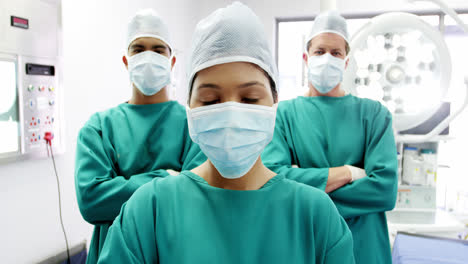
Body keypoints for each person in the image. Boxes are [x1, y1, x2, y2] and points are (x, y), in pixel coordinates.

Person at [97, 3, 355, 263]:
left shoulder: (315, 216)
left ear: (275, 103)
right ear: (189, 108)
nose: (231, 113)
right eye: (210, 100)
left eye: (250, 98)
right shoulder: (149, 210)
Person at [262, 10, 398, 264]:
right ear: (306, 57)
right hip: (307, 245)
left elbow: (385, 190)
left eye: (336, 53)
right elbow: (274, 181)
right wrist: (348, 173)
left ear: (346, 62)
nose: (327, 58)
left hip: (363, 249)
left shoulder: (374, 114)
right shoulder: (284, 115)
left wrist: (303, 185)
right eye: (319, 51)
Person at [74, 9, 205, 264]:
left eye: (158, 50)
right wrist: (166, 177)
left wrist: (122, 186)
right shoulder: (99, 128)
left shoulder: (194, 125)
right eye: (138, 49)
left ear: (172, 60)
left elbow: (193, 198)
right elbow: (92, 202)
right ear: (126, 60)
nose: (148, 57)